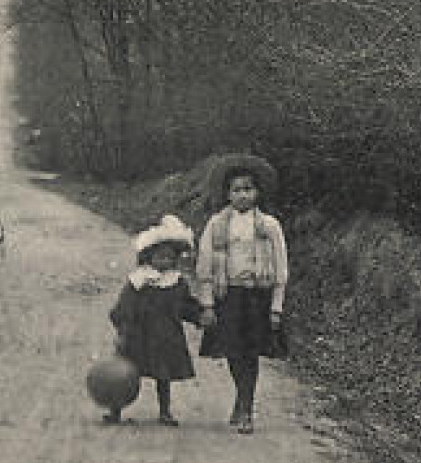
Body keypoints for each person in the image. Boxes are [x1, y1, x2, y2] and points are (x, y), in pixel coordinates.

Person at [195, 157, 289, 434]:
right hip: (229, 295)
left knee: (251, 352)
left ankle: (246, 408)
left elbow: (281, 267)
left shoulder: (269, 225)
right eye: (236, 190)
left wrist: (277, 306)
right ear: (227, 194)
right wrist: (207, 302)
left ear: (257, 192)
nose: (243, 195)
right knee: (233, 351)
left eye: (248, 189)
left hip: (257, 295)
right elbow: (205, 264)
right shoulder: (217, 224)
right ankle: (241, 396)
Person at [104, 215, 204, 426]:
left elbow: (185, 305)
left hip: (165, 337)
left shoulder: (176, 283)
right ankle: (115, 411)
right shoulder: (138, 281)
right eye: (159, 257)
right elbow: (124, 308)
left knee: (164, 376)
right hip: (137, 336)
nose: (164, 262)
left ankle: (165, 412)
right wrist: (123, 330)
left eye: (169, 257)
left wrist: (199, 315)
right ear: (148, 257)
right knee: (124, 375)